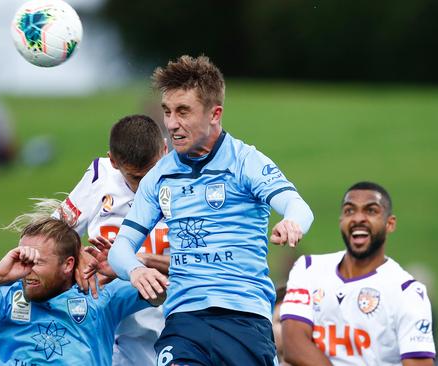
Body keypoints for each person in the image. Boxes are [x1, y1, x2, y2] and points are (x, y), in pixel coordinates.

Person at [108, 55, 314, 365]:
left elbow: (298, 206)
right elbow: (120, 248)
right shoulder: (159, 176)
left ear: (214, 114)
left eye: (183, 112)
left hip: (244, 318)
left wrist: (292, 222)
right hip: (184, 322)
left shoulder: (246, 161)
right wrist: (135, 270)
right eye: (167, 111)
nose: (171, 123)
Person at [0, 213, 162, 366]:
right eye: (23, 259)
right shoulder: (6, 295)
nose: (27, 270)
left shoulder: (99, 293)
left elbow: (164, 289)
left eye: (37, 262)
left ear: (67, 265)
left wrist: (133, 263)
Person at [52, 114, 170, 366]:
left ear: (165, 149)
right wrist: (77, 252)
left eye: (152, 172)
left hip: (171, 323)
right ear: (114, 161)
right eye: (136, 178)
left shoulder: (188, 182)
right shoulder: (101, 176)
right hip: (112, 332)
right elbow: (50, 235)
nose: (145, 185)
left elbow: (204, 262)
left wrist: (138, 261)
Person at [280, 181, 436, 366]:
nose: (358, 218)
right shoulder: (308, 269)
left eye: (371, 211)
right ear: (341, 221)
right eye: (349, 211)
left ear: (390, 224)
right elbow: (293, 345)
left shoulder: (407, 292)